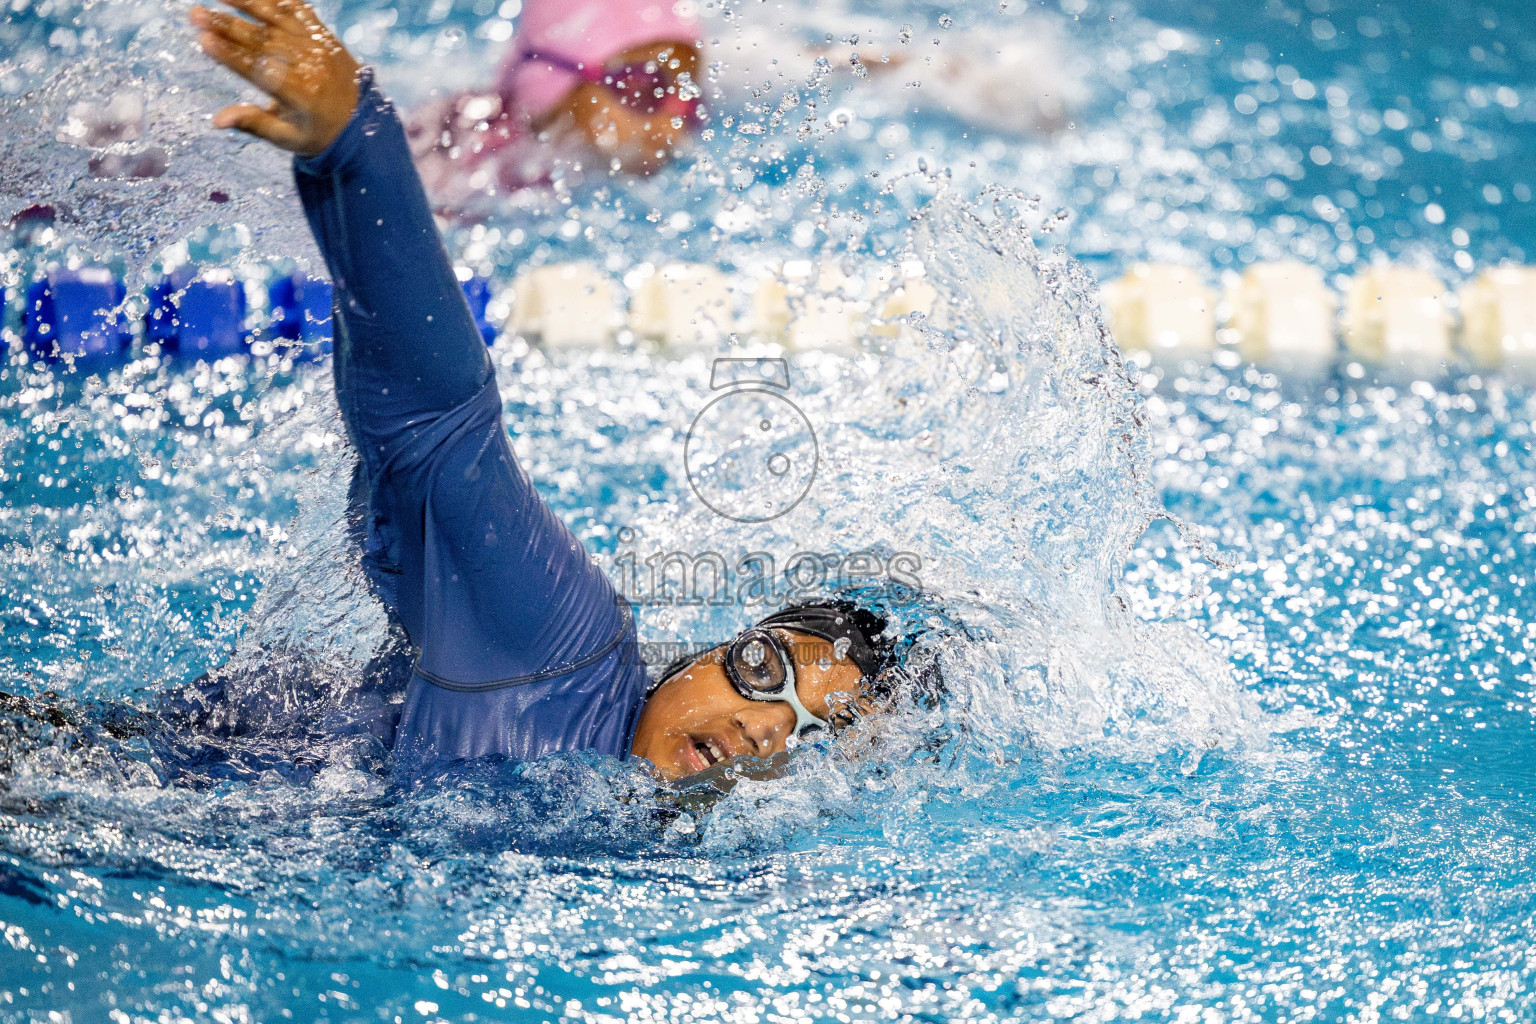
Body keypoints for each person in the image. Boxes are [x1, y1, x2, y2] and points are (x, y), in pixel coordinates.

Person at [187, 0, 912, 783]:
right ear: (708, 653)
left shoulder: (699, 868)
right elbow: (438, 425)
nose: (764, 730)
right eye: (766, 673)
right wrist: (355, 146)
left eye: (818, 738)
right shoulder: (558, 658)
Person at [405, 0, 706, 215]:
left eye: (688, 95)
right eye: (643, 91)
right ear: (562, 85)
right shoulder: (470, 163)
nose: (674, 124)